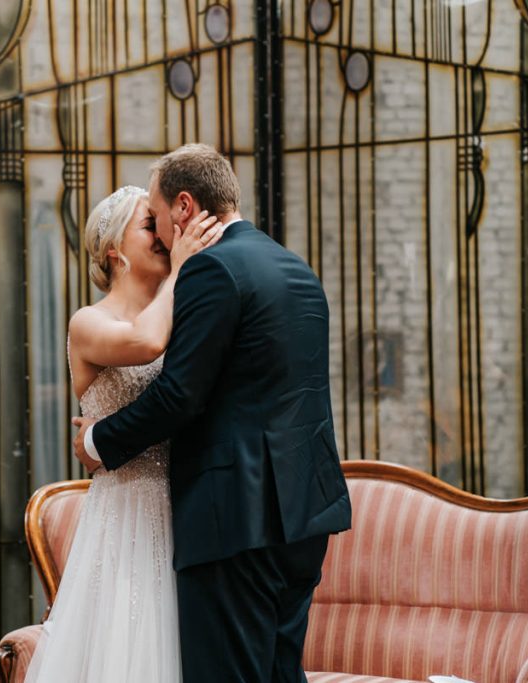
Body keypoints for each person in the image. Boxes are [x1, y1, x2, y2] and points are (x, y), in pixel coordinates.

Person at [73, 144, 352, 683]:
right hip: (304, 514)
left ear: (183, 207)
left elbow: (180, 395)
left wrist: (98, 442)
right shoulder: (294, 269)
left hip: (236, 519)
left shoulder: (211, 271)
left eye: (155, 217)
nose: (155, 232)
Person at [24, 185, 224, 683]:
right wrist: (181, 267)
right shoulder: (90, 322)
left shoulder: (185, 316)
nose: (164, 234)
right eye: (148, 226)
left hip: (189, 509)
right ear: (115, 251)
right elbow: (145, 341)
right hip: (126, 516)